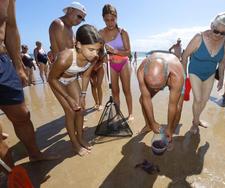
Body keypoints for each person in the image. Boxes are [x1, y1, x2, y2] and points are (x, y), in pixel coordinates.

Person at [0, 0, 58, 163]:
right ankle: (11, 173)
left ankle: (35, 155)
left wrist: (18, 66)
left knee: (22, 115)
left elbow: (10, 26)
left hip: (3, 62)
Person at [48, 24, 104, 156]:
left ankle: (80, 138)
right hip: (57, 81)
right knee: (70, 112)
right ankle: (74, 143)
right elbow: (51, 79)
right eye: (91, 49)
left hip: (71, 79)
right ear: (78, 44)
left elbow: (85, 75)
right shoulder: (65, 58)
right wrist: (68, 98)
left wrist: (83, 95)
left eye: (97, 50)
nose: (95, 54)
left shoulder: (93, 58)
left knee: (80, 110)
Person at [181, 12, 225, 134]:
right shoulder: (198, 38)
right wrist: (184, 77)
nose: (219, 35)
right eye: (216, 31)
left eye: (223, 33)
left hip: (210, 74)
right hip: (195, 72)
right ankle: (195, 124)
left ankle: (197, 119)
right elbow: (184, 56)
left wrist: (221, 78)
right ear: (212, 26)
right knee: (198, 99)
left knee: (205, 100)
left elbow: (222, 61)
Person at [137, 51, 185, 142]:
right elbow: (146, 99)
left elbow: (172, 105)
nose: (156, 91)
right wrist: (152, 122)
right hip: (159, 76)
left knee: (178, 105)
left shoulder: (177, 75)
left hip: (176, 74)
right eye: (153, 87)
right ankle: (148, 125)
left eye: (159, 87)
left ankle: (171, 131)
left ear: (167, 77)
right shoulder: (141, 71)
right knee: (142, 100)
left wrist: (169, 128)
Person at [99, 4, 133, 120]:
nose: (110, 23)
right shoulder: (100, 33)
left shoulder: (123, 32)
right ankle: (118, 113)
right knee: (115, 91)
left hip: (124, 63)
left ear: (116, 18)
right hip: (110, 65)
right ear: (103, 19)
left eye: (112, 20)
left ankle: (130, 114)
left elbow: (128, 52)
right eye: (107, 20)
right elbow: (98, 51)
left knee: (126, 89)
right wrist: (103, 56)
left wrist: (115, 51)